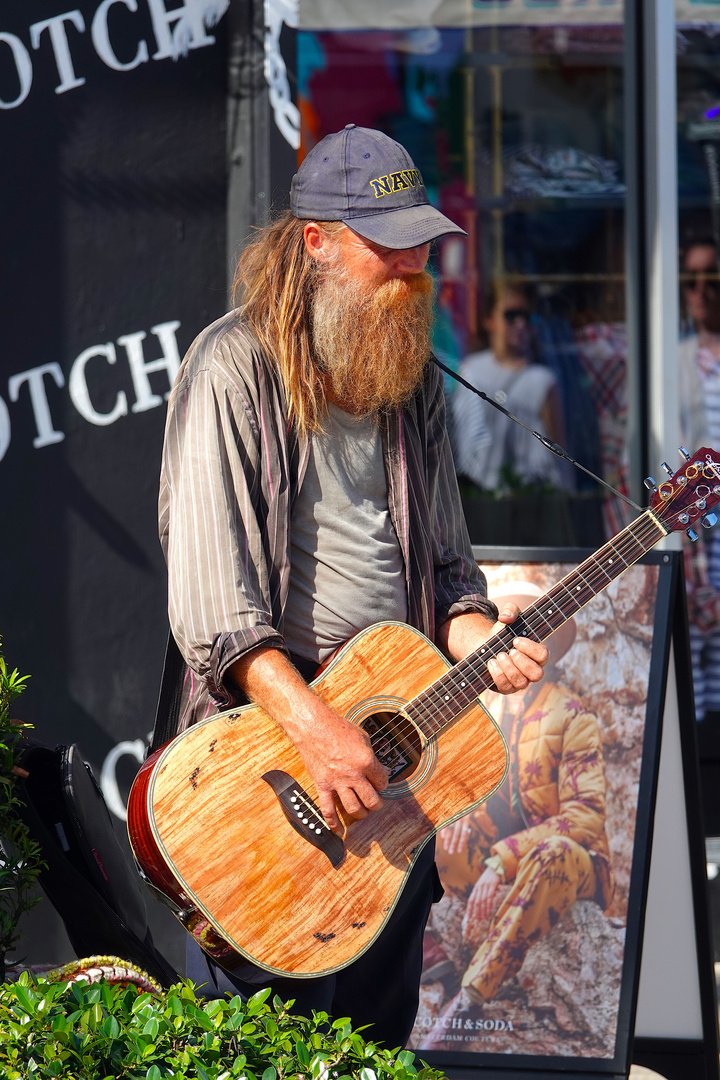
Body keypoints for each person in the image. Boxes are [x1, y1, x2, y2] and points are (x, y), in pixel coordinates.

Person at [157, 124, 548, 1047]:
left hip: (393, 750)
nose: (413, 267)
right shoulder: (231, 368)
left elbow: (449, 568)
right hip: (276, 761)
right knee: (266, 1037)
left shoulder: (408, 373)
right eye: (389, 246)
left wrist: (476, 637)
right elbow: (214, 612)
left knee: (375, 1034)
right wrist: (319, 734)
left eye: (420, 242)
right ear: (316, 242)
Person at [417, 582, 613, 1048]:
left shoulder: (571, 715)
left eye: (533, 630)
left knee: (556, 853)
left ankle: (469, 997)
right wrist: (457, 812)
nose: (517, 639)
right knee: (425, 825)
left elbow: (585, 817)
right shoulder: (479, 710)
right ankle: (432, 954)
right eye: (508, 628)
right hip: (498, 861)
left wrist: (500, 858)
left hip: (565, 863)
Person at [451, 283, 571, 494]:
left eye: (526, 316)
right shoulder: (471, 370)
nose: (520, 324)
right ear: (489, 320)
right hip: (478, 499)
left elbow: (560, 459)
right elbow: (459, 442)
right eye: (511, 315)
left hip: (531, 500)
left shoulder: (542, 380)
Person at [679, 239, 720, 721]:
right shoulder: (676, 361)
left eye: (712, 277)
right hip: (695, 539)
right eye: (691, 279)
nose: (701, 290)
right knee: (695, 691)